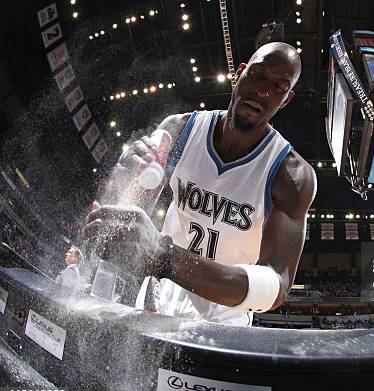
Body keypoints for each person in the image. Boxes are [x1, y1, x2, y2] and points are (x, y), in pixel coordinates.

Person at [83, 42, 317, 326]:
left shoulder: (291, 175)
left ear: (286, 99)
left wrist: (165, 257)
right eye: (257, 74)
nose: (262, 90)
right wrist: (126, 174)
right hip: (158, 297)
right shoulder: (180, 130)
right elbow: (132, 203)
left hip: (225, 317)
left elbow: (277, 285)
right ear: (239, 73)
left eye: (278, 85)